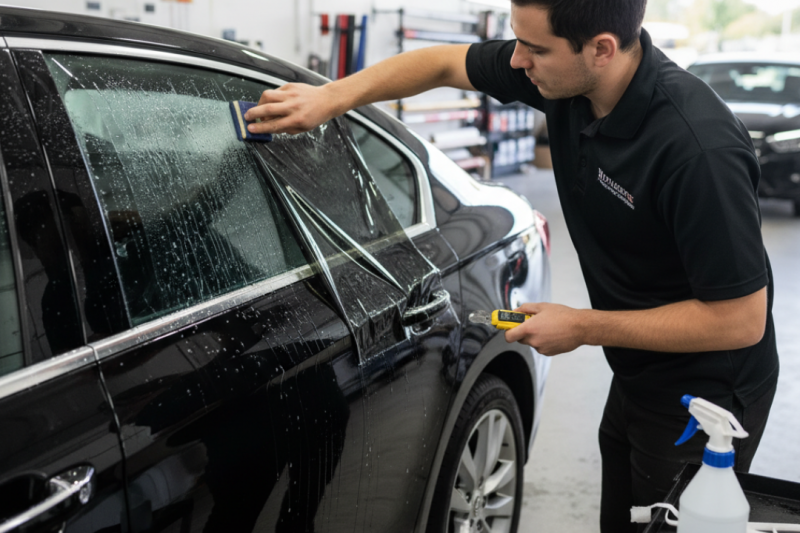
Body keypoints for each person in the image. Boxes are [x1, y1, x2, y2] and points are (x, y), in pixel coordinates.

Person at [243, 0, 779, 530]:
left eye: (535, 49)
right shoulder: (566, 76)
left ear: (601, 49)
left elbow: (739, 320)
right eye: (517, 40)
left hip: (706, 397)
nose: (518, 61)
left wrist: (583, 326)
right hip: (637, 367)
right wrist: (331, 97)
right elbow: (442, 64)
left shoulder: (697, 148)